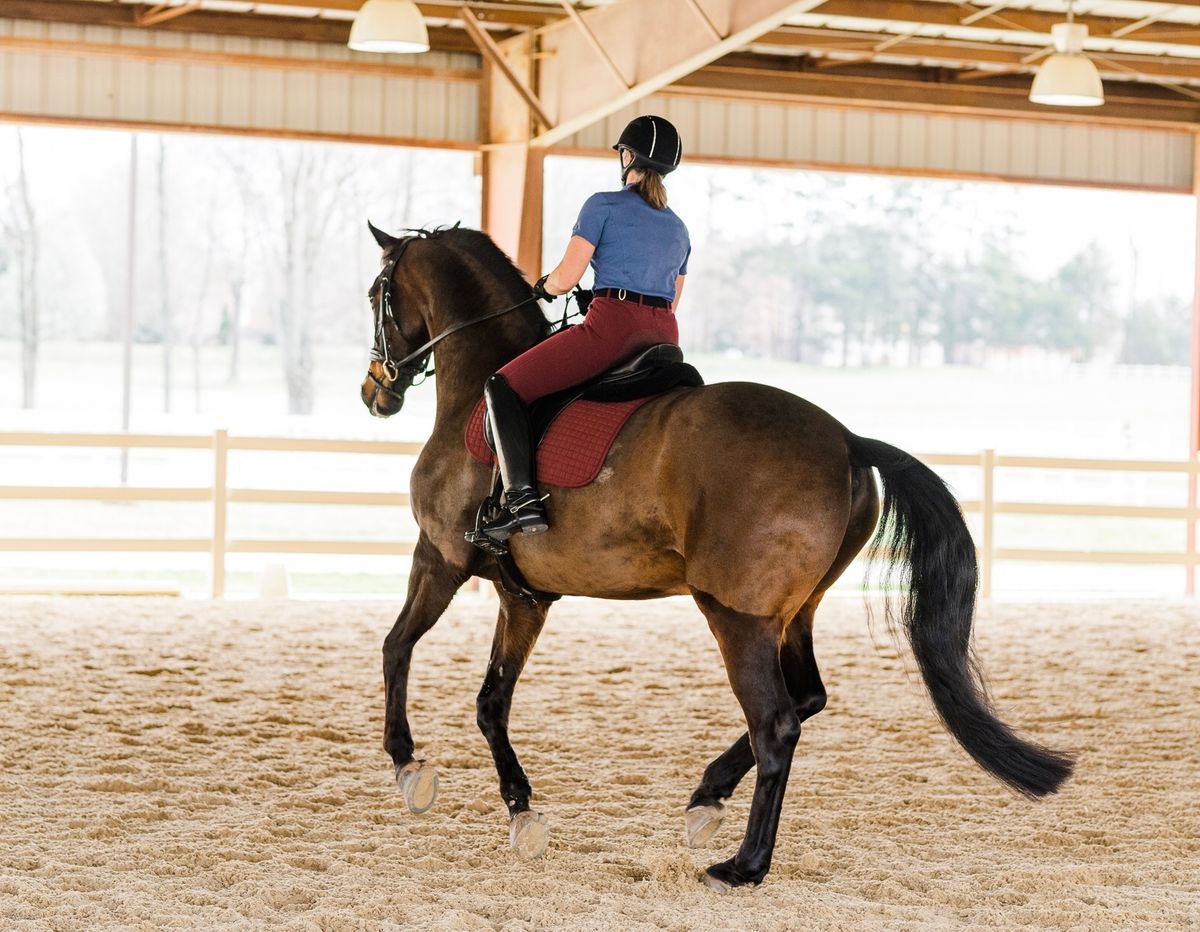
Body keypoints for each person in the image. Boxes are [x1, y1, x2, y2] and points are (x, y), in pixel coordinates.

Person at [476, 114, 691, 542]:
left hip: (611, 330)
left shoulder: (602, 205)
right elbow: (673, 297)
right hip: (665, 334)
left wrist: (545, 287)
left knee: (502, 385)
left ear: (627, 158)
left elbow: (566, 278)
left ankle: (520, 499)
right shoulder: (678, 227)